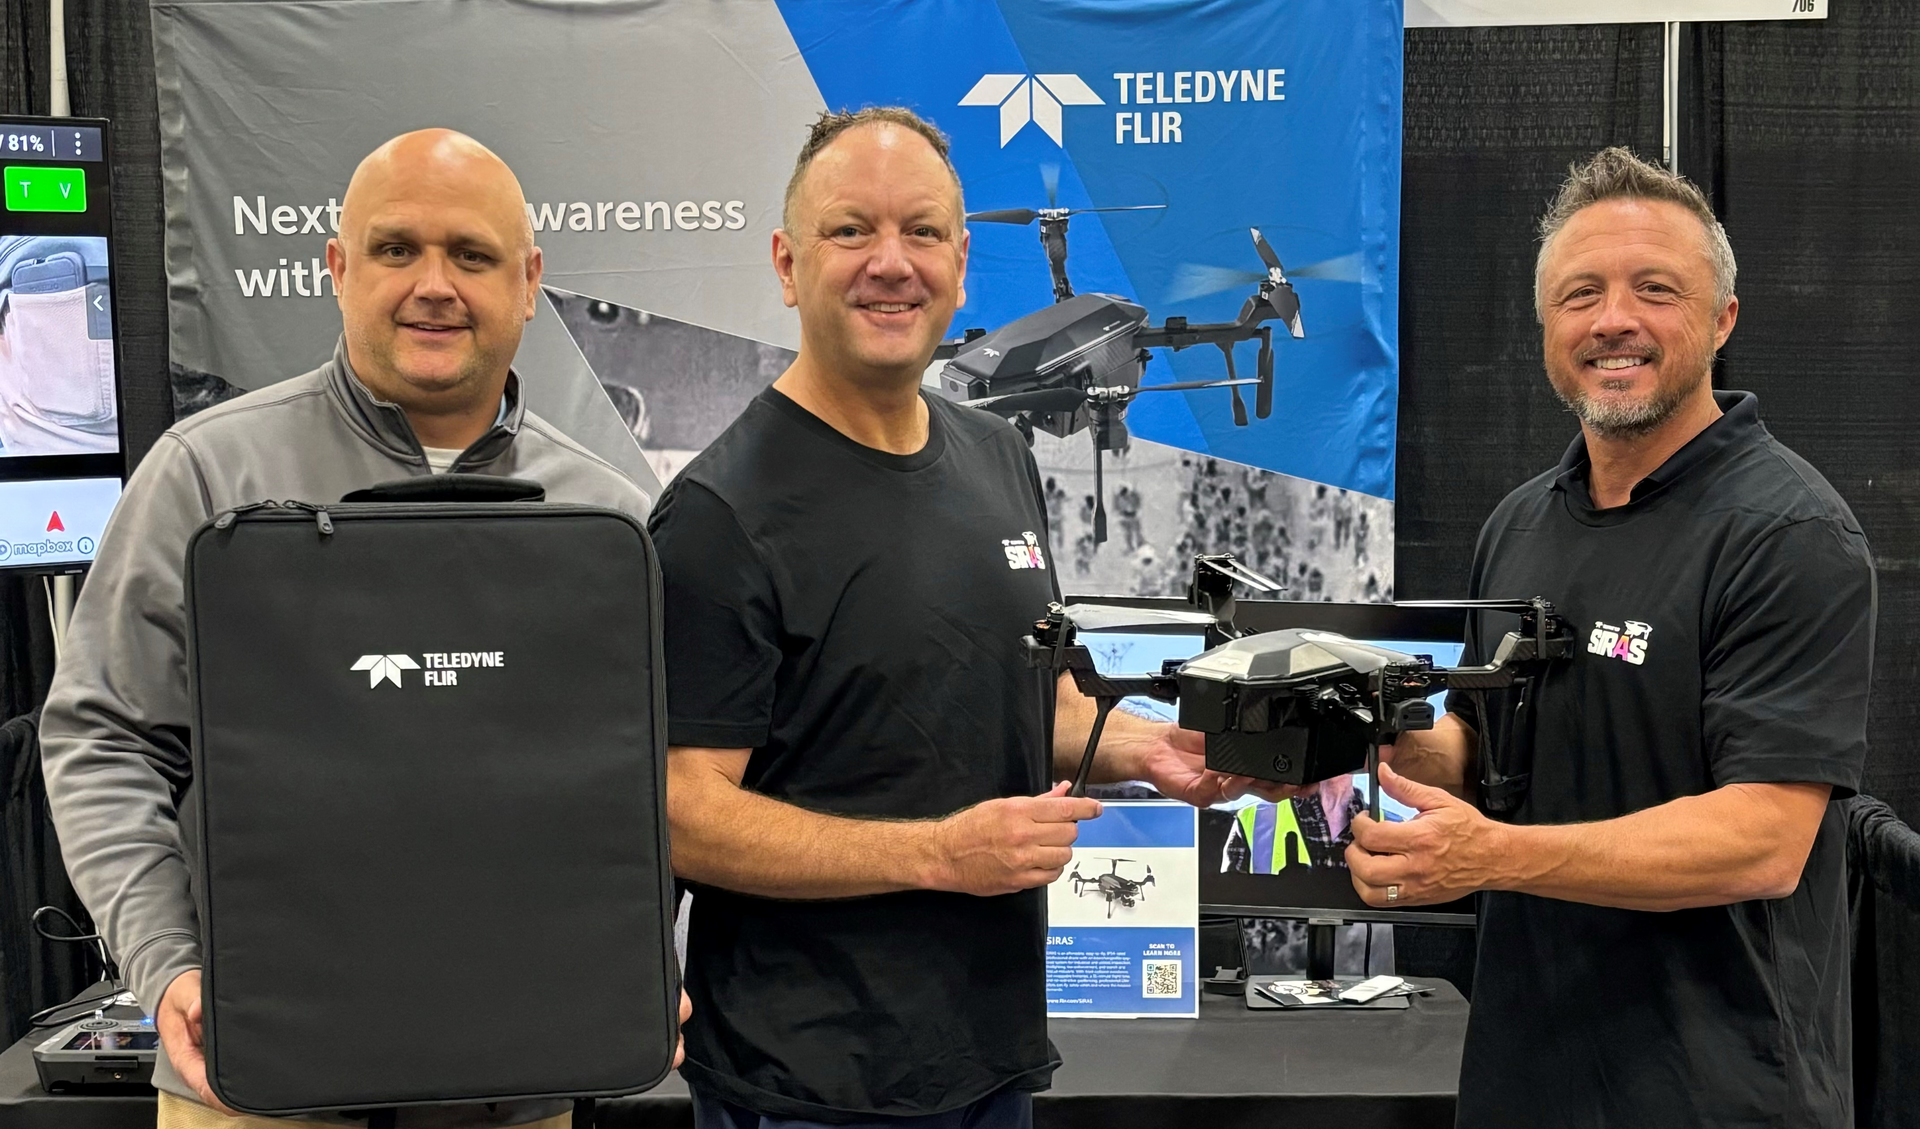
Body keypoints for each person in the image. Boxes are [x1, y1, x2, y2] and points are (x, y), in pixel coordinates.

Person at [39, 129, 685, 1129]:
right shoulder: (208, 476)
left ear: (527, 283)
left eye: (471, 255)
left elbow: (654, 786)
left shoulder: (609, 517)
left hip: (520, 1086)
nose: (435, 285)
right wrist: (167, 964)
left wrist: (645, 961)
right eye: (395, 250)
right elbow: (105, 738)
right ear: (337, 269)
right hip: (256, 1089)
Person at [650, 107, 1269, 1128]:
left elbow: (1037, 703)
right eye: (851, 230)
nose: (891, 263)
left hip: (987, 1062)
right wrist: (937, 854)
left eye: (922, 231)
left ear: (964, 261)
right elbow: (684, 816)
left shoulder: (998, 459)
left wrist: (1153, 750)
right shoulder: (722, 514)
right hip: (809, 1083)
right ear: (786, 262)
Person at [1346, 147, 1874, 1127]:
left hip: (1713, 1089)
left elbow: (1762, 838)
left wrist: (1494, 855)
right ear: (1546, 326)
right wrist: (1352, 733)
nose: (1613, 318)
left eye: (1655, 290)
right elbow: (1485, 750)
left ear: (1722, 320)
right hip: (1526, 1072)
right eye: (1580, 293)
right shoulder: (1521, 523)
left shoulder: (1787, 533)